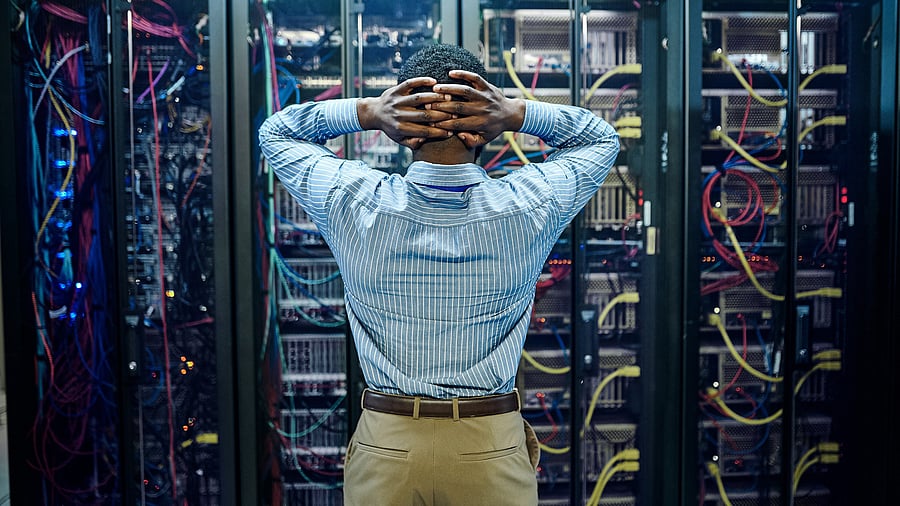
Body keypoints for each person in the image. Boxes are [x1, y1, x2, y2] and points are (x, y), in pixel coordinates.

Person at [258, 44, 619, 506]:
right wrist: (514, 113)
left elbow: (277, 133)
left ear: (403, 131)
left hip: (387, 448)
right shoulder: (530, 205)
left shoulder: (351, 199)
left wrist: (369, 111)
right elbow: (601, 139)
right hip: (488, 447)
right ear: (481, 129)